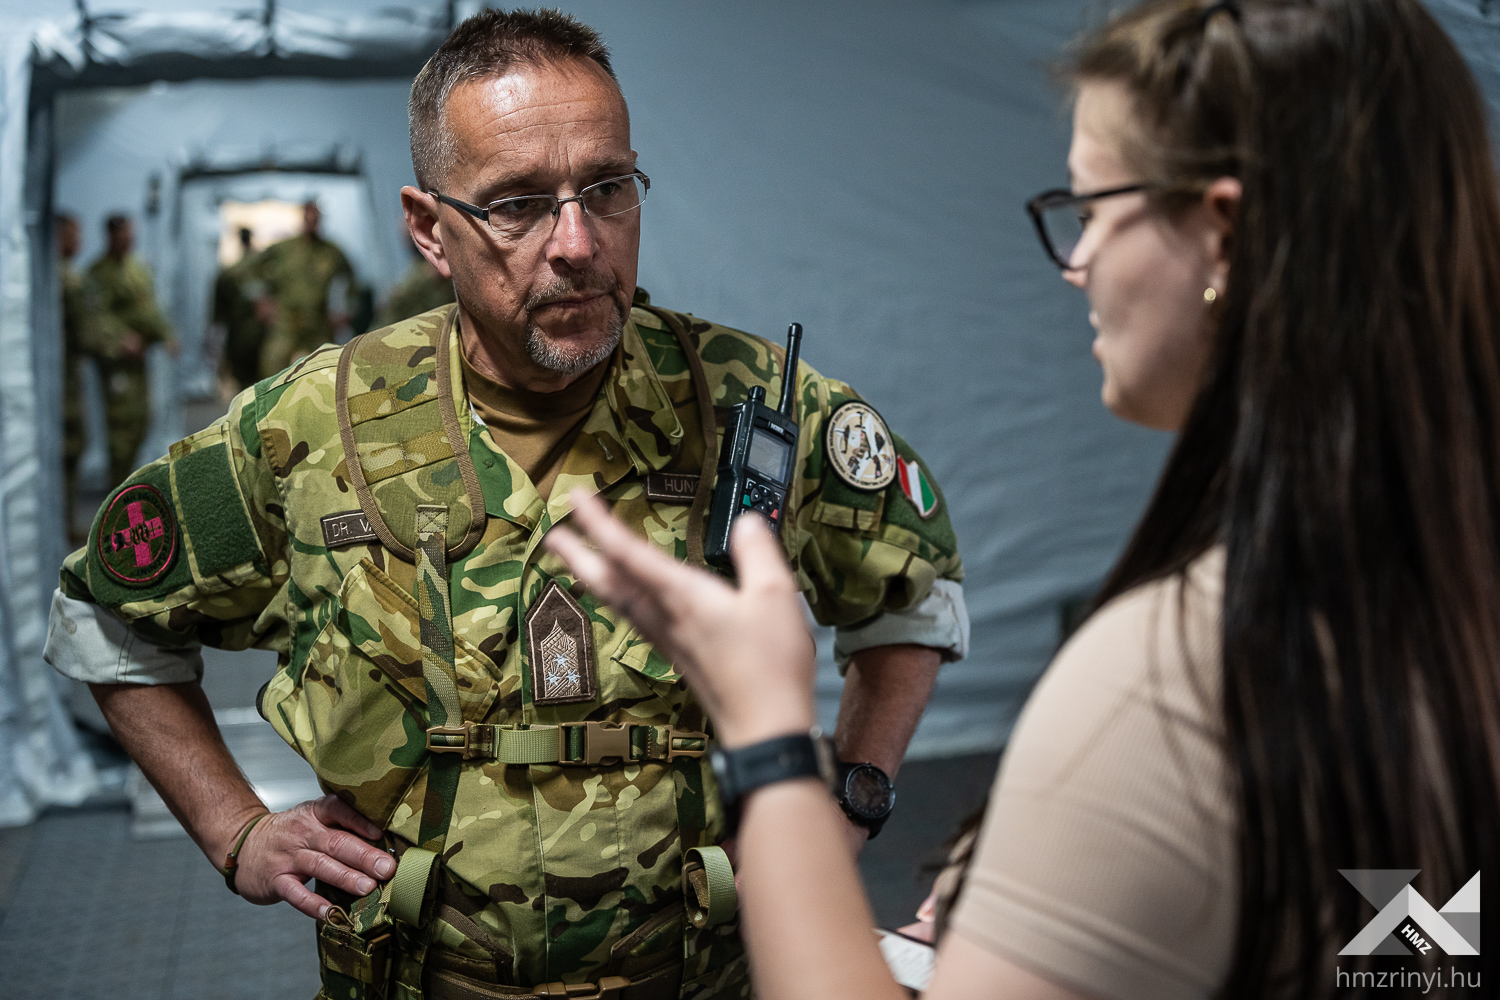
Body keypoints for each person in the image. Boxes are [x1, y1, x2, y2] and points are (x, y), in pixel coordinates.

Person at [546, 1, 1500, 998]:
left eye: (1092, 209)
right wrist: (1055, 903)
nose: (1076, 263)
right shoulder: (1429, 611)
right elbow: (1414, 954)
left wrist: (771, 743)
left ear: (1222, 233)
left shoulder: (1167, 680)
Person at [42, 10, 967, 1000]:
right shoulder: (309, 427)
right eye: (517, 205)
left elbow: (913, 596)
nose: (577, 243)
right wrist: (236, 829)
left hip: (708, 976)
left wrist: (855, 793)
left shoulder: (748, 403)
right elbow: (106, 613)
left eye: (607, 188)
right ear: (428, 229)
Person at [87, 213, 177, 489]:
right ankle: (117, 489)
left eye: (131, 233)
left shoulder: (137, 268)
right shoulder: (99, 273)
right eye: (124, 234)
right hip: (118, 364)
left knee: (140, 420)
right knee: (120, 427)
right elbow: (95, 317)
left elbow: (148, 308)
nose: (129, 239)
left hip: (139, 362)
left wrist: (165, 334)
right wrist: (121, 340)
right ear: (111, 236)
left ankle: (127, 483)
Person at [255, 199, 356, 378]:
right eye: (307, 216)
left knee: (329, 371)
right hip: (286, 322)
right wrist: (261, 300)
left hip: (318, 322)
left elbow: (352, 279)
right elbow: (254, 268)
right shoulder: (284, 248)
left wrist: (346, 311)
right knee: (272, 370)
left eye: (315, 217)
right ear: (302, 217)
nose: (311, 221)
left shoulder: (331, 252)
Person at [214, 226, 269, 394]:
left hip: (238, 335)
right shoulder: (264, 270)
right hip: (262, 333)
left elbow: (219, 311)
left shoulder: (229, 273)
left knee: (243, 385)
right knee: (264, 381)